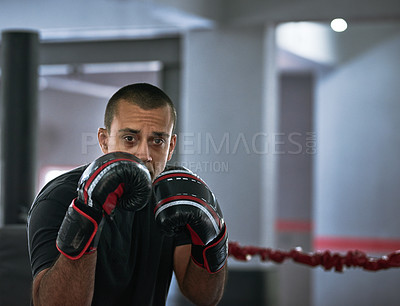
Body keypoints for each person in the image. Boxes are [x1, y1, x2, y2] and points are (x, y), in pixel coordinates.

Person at [27, 83, 228, 305]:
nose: (144, 154)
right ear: (104, 140)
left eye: (157, 141)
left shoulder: (173, 195)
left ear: (171, 146)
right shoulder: (60, 197)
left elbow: (204, 296)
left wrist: (213, 237)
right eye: (130, 138)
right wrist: (87, 213)